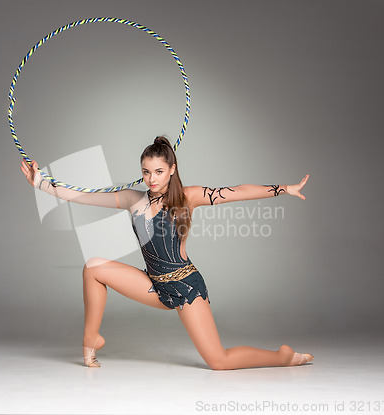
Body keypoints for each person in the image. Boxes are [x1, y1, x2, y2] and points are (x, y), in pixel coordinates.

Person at [20, 136, 313, 370]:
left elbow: (237, 191)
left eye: (158, 172)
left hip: (185, 286)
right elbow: (82, 196)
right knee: (93, 267)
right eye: (146, 172)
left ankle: (282, 357)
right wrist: (42, 184)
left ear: (172, 169)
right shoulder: (133, 200)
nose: (151, 179)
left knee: (218, 361)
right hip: (152, 285)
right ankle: (91, 337)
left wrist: (284, 188)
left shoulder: (188, 197)